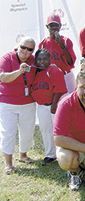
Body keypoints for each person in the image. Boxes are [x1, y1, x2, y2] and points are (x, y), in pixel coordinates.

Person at [0, 37, 36, 175]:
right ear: (18, 47)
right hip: (8, 103)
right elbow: (3, 77)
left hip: (28, 102)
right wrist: (19, 71)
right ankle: (8, 163)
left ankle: (23, 155)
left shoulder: (33, 60)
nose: (25, 51)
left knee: (27, 131)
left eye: (29, 49)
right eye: (23, 47)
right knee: (8, 133)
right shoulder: (7, 58)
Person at [31, 49, 67, 166]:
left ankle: (62, 154)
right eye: (39, 59)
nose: (42, 61)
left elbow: (59, 88)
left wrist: (54, 104)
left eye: (45, 59)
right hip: (42, 106)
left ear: (49, 59)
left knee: (58, 131)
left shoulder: (53, 69)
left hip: (53, 105)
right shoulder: (35, 72)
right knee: (45, 130)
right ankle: (50, 154)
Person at [39, 14, 77, 94]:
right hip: (50, 77)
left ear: (60, 26)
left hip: (65, 76)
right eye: (51, 25)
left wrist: (62, 46)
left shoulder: (66, 41)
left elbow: (71, 62)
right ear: (47, 26)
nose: (53, 27)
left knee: (68, 102)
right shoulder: (43, 43)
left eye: (56, 25)